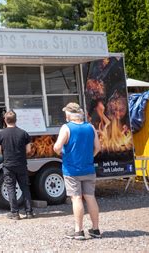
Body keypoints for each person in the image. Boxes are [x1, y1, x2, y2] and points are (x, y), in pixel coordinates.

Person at [53, 102, 102, 240]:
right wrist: (88, 157)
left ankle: (78, 231)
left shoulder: (66, 128)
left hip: (71, 170)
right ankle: (96, 229)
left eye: (66, 113)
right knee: (90, 197)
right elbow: (98, 147)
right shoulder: (90, 127)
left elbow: (57, 147)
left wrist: (63, 154)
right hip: (88, 168)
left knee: (76, 198)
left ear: (69, 114)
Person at [0, 110, 34, 220]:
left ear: (5, 120)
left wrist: (5, 151)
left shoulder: (1, 134)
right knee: (25, 187)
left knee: (11, 188)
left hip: (8, 165)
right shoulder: (23, 133)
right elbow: (28, 149)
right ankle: (29, 212)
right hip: (21, 164)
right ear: (16, 120)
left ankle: (15, 213)